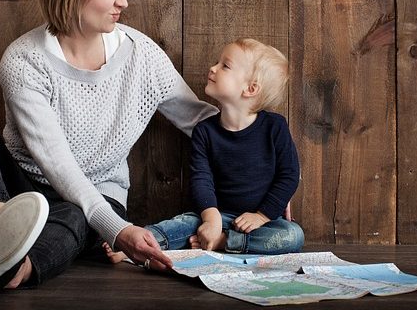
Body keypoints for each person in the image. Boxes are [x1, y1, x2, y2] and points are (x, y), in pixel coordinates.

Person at [0, 0, 217, 300]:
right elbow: (56, 162)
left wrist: (266, 164)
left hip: (96, 196)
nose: (124, 2)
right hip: (20, 190)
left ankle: (17, 267)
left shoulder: (141, 55)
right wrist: (119, 232)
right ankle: (2, 224)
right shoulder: (24, 60)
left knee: (77, 216)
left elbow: (200, 120)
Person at [106, 38, 303, 262]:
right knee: (182, 224)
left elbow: (288, 176)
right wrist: (211, 219)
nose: (213, 68)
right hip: (217, 213)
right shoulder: (205, 131)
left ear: (250, 89)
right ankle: (134, 246)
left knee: (293, 236)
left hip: (262, 222)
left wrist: (262, 216)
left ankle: (224, 242)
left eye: (225, 66)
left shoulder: (274, 127)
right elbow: (201, 179)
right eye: (217, 62)